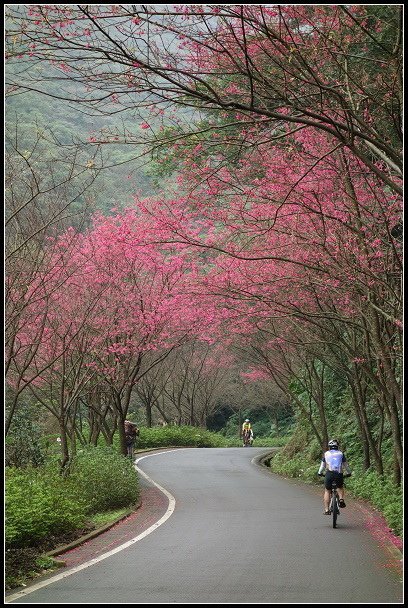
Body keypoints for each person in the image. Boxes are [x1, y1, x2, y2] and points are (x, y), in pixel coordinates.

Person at [318, 439, 352, 515]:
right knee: (340, 487)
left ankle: (327, 510)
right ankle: (341, 499)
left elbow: (322, 466)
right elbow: (346, 465)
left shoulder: (326, 454)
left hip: (329, 474)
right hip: (338, 474)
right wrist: (349, 473)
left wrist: (319, 473)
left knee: (327, 490)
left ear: (329, 447)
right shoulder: (341, 454)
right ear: (337, 446)